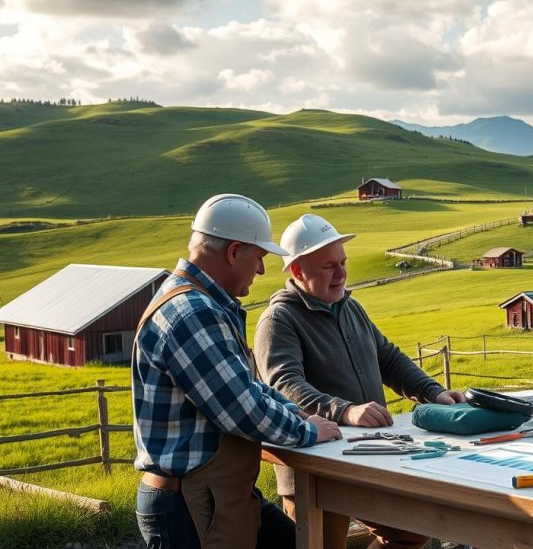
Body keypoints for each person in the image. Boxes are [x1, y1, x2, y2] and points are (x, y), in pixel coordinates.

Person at [132, 194, 342, 549]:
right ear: (233, 252)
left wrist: (297, 412)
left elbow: (249, 387)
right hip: (192, 503)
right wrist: (306, 430)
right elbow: (241, 409)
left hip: (213, 494)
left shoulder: (200, 303)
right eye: (258, 257)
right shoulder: (193, 313)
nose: (261, 271)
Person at [254, 213, 466, 549]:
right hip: (315, 470)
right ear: (297, 271)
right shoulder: (279, 320)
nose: (341, 273)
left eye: (343, 262)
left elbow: (388, 357)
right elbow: (284, 384)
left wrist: (432, 392)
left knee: (411, 534)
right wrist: (345, 411)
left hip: (370, 459)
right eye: (328, 266)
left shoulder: (351, 308)